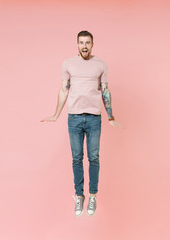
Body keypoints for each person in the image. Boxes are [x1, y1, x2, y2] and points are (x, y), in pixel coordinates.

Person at [41, 30, 122, 217]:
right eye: (81, 42)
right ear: (77, 44)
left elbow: (105, 91)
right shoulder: (68, 64)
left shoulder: (101, 65)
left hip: (94, 118)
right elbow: (63, 90)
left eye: (87, 42)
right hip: (74, 118)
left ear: (92, 44)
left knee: (94, 158)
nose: (84, 45)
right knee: (77, 158)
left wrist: (111, 117)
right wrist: (56, 114)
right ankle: (79, 196)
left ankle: (92, 195)